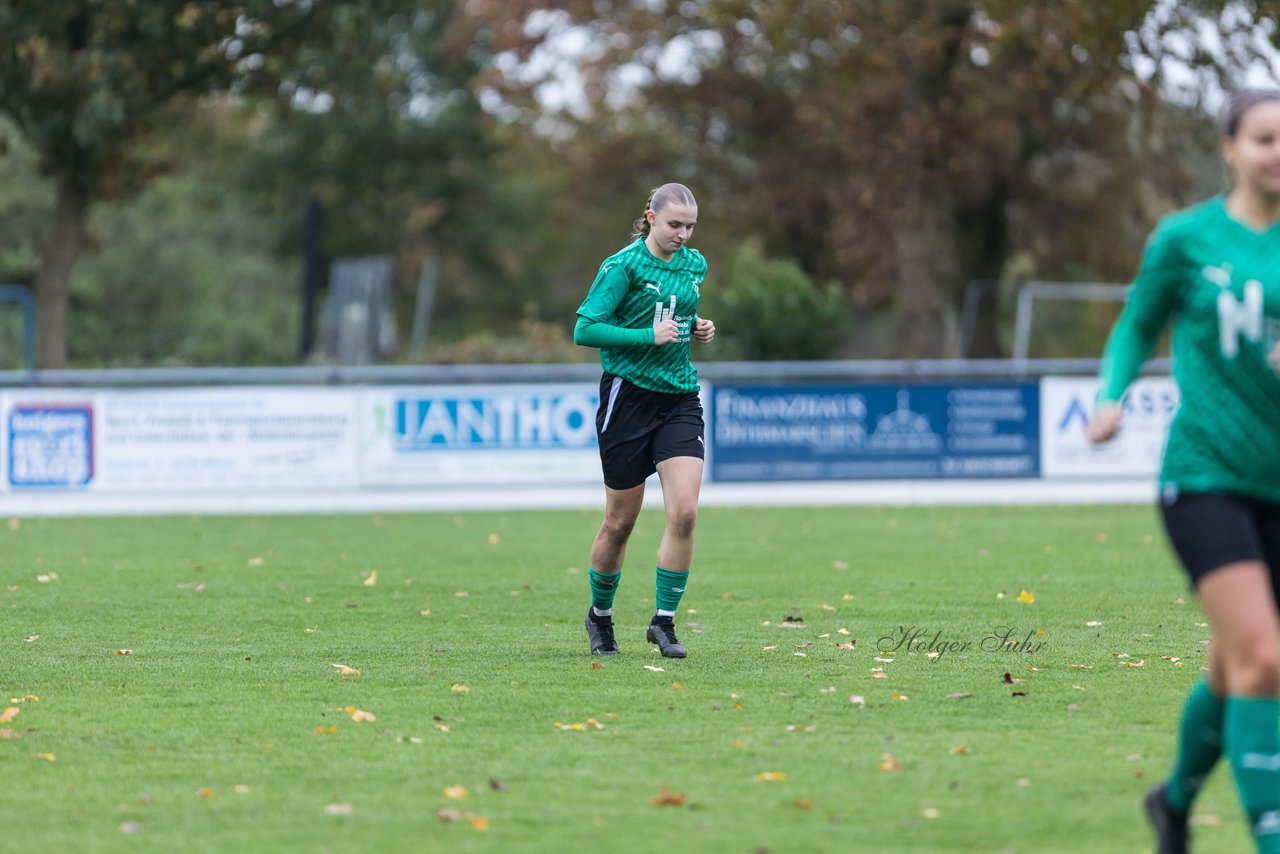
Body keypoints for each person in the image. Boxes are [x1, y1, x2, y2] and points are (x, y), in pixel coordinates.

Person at [1087, 89, 1280, 854]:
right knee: (1265, 656)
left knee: (1235, 668)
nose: (1279, 153)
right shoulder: (1186, 238)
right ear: (1230, 148)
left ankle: (1173, 803)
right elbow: (1138, 324)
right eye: (1266, 139)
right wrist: (1109, 396)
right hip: (1205, 475)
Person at [573, 182, 716, 659]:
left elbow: (675, 314)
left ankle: (664, 623)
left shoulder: (695, 265)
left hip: (679, 398)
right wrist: (645, 336)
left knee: (685, 512)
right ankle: (600, 617)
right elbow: (585, 328)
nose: (684, 234)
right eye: (675, 224)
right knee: (620, 522)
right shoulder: (622, 266)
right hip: (627, 399)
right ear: (650, 218)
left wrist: (699, 327)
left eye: (691, 226)